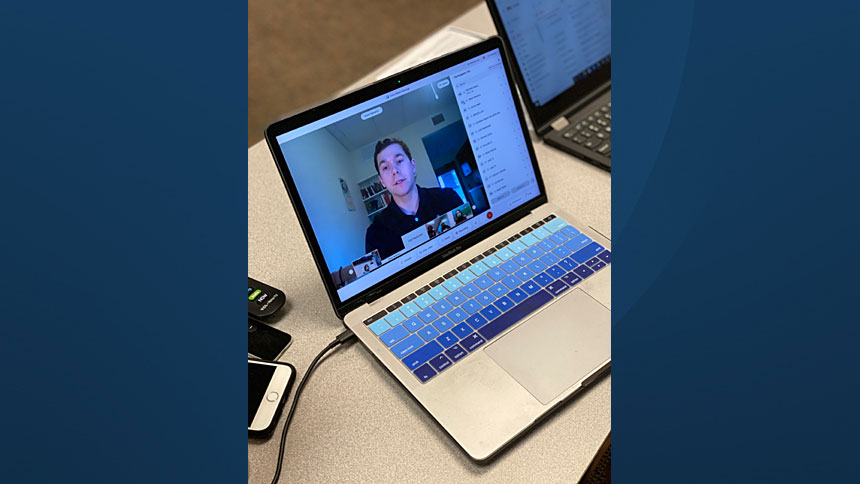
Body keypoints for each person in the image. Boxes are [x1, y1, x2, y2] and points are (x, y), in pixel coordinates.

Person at [365, 138, 463, 259]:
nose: (394, 171)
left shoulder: (448, 198)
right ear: (382, 181)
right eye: (385, 167)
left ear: (413, 166)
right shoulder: (375, 234)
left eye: (399, 161)